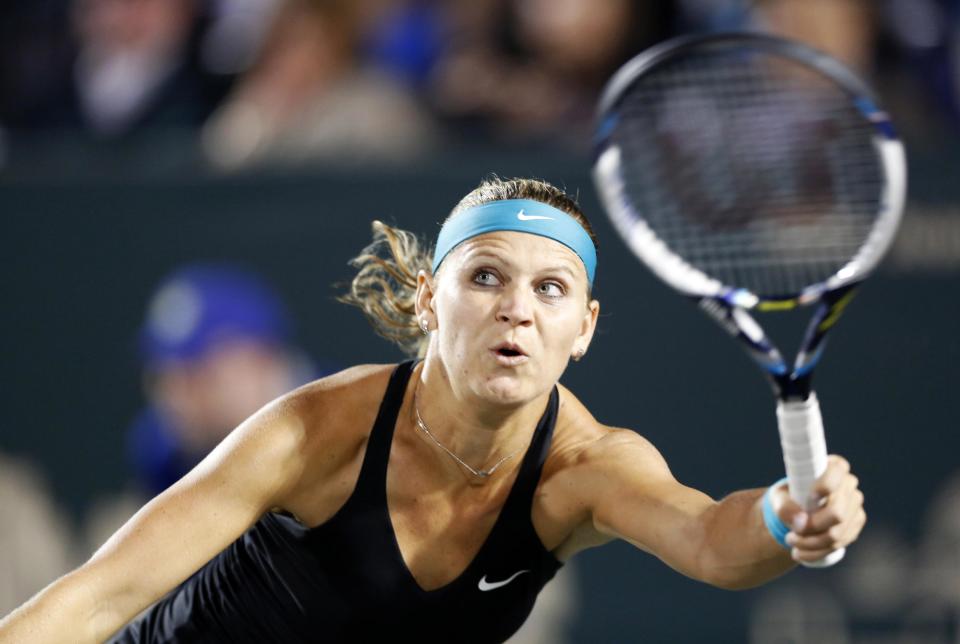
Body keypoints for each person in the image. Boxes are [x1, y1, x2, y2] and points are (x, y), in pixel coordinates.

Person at [0, 177, 866, 643]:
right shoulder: (316, 430)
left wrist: (787, 522)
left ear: (584, 329)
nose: (516, 309)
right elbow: (93, 599)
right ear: (427, 300)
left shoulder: (584, 470)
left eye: (550, 288)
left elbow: (715, 540)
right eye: (485, 276)